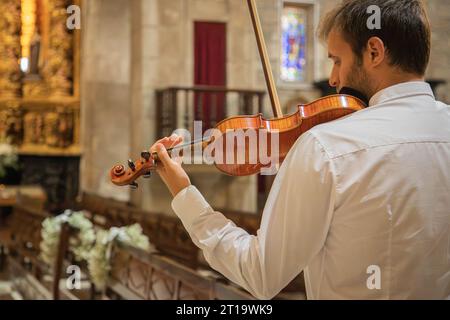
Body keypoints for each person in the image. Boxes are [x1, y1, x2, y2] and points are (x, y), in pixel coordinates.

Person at [150, 0, 450, 299]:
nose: (334, 79)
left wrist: (185, 196)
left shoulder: (326, 146)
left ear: (374, 51)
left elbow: (260, 272)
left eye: (337, 61)